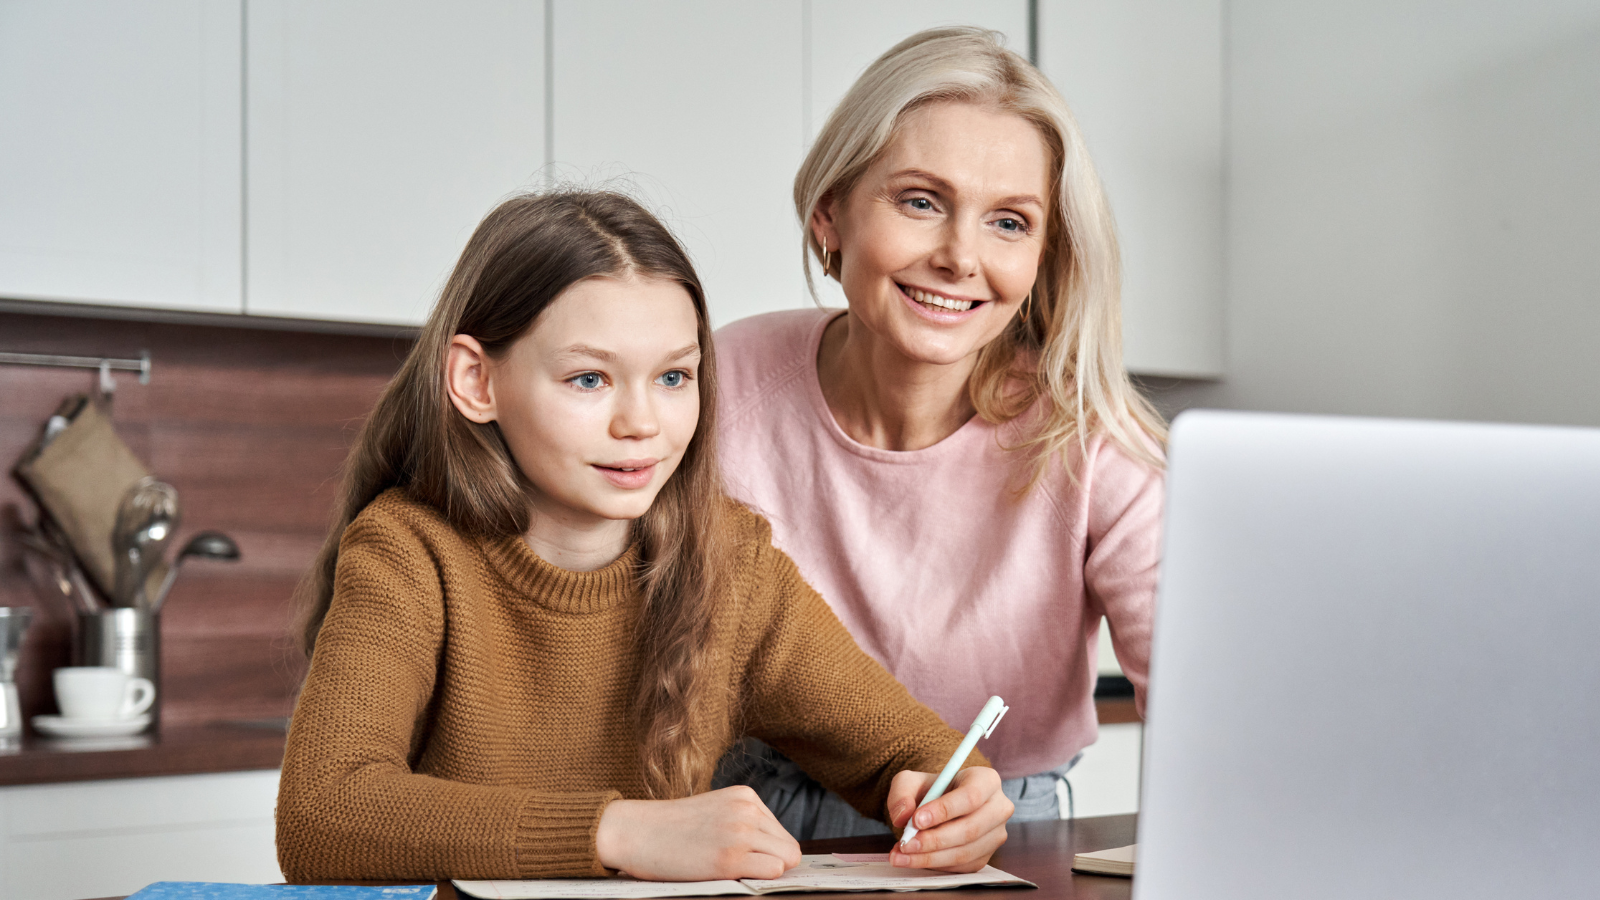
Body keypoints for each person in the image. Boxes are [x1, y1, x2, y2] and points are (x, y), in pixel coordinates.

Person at [274, 191, 1014, 883]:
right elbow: (323, 815)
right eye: (589, 380)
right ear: (476, 381)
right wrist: (619, 833)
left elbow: (906, 749)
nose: (642, 424)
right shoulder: (409, 552)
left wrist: (962, 796)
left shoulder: (731, 563)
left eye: (673, 378)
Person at [712, 27, 1166, 838]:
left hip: (1016, 832)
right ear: (830, 215)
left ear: (1040, 257)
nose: (961, 257)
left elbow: (1194, 696)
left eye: (1009, 222)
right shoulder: (722, 382)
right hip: (748, 819)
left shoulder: (1094, 441)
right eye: (921, 202)